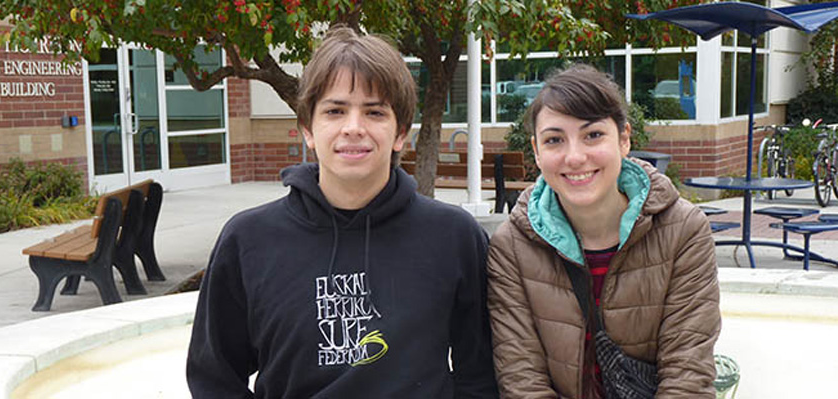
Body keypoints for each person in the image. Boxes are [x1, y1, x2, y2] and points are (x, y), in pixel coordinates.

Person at [186, 25, 498, 398]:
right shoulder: (248, 240)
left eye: (374, 112)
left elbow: (479, 374)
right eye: (335, 110)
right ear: (308, 129)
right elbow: (214, 378)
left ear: (400, 132)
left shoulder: (454, 236)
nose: (354, 128)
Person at [487, 64, 721, 398]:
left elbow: (688, 373)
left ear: (624, 139)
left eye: (593, 135)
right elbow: (522, 379)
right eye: (554, 140)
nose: (575, 156)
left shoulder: (683, 230)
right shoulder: (511, 245)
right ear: (537, 152)